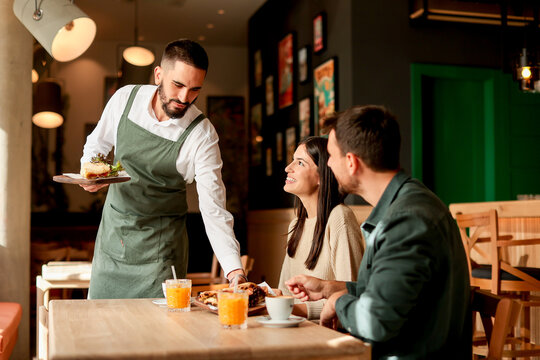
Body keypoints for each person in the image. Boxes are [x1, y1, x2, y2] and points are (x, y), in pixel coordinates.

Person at [286, 106, 470, 359]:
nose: (327, 164)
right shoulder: (406, 203)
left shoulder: (407, 221)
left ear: (351, 162)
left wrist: (338, 303)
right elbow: (393, 292)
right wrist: (331, 288)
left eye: (330, 156)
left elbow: (377, 321)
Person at [80, 39, 245, 299]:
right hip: (113, 241)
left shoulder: (201, 135)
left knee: (156, 336)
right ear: (159, 74)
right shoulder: (125, 99)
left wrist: (234, 270)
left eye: (194, 90)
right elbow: (96, 144)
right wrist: (91, 173)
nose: (184, 98)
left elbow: (213, 208)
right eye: (177, 85)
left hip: (161, 256)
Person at [278, 136, 364, 320]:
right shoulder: (296, 225)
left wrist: (291, 310)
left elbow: (350, 297)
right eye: (292, 160)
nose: (288, 168)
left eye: (300, 163)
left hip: (326, 334)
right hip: (295, 330)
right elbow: (284, 292)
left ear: (322, 176)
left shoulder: (340, 218)